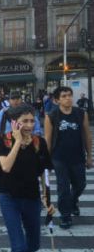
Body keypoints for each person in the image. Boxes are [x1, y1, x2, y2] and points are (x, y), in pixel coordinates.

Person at [0, 104, 54, 252]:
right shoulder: (2, 142)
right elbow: (6, 167)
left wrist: (47, 198)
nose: (29, 124)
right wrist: (18, 141)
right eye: (24, 121)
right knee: (18, 248)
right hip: (9, 198)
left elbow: (45, 173)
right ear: (14, 123)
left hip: (31, 198)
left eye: (31, 120)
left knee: (34, 244)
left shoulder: (39, 143)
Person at [44, 86, 92, 229]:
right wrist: (46, 161)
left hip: (78, 157)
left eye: (70, 95)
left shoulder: (81, 113)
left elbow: (87, 135)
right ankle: (66, 216)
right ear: (57, 100)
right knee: (63, 188)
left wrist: (89, 156)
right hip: (59, 158)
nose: (68, 98)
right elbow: (48, 139)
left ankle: (73, 202)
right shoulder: (51, 116)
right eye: (64, 96)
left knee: (80, 185)